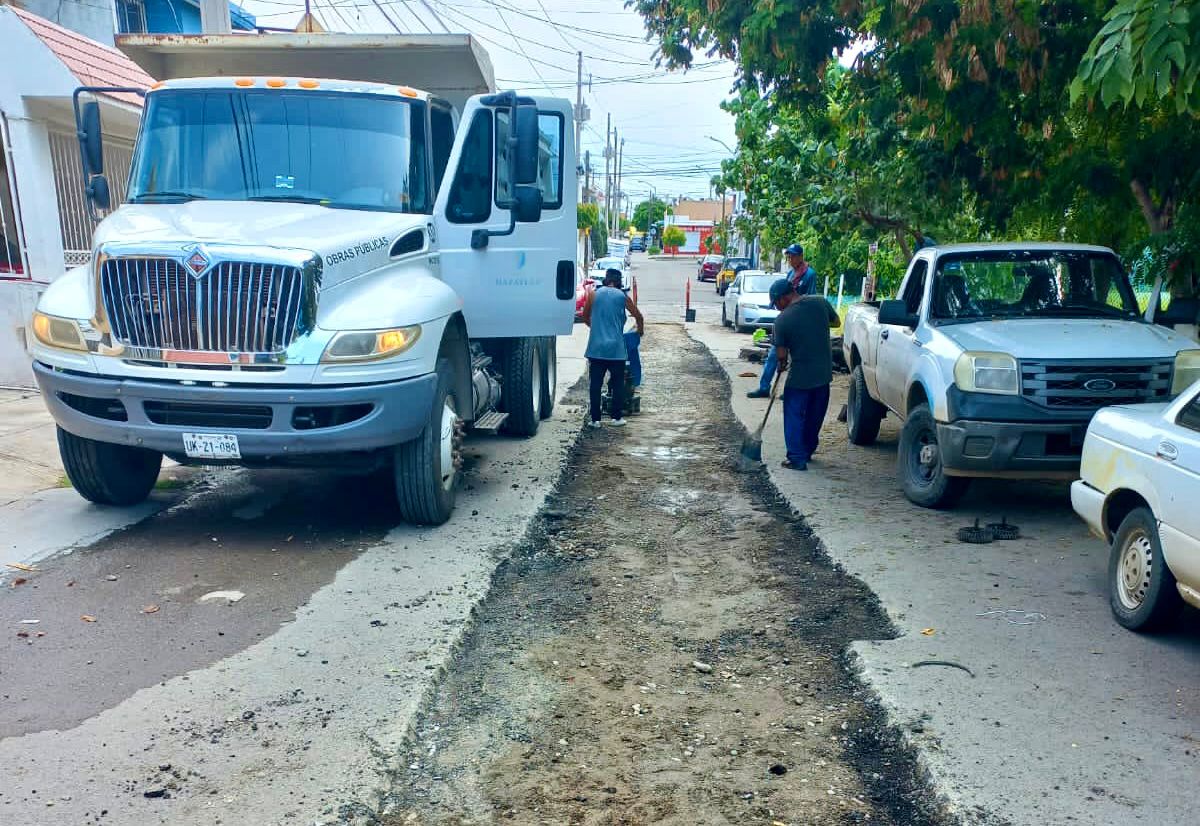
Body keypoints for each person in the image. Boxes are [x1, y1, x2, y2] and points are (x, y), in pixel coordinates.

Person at [768, 278, 840, 470]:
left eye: (776, 303)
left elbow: (781, 356)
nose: (776, 308)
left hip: (799, 378)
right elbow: (836, 321)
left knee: (794, 416)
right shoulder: (819, 302)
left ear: (782, 298)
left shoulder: (782, 320)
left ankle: (797, 458)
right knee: (814, 417)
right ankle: (807, 450)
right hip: (823, 375)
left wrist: (781, 366)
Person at [747, 243, 818, 398]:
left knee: (796, 359)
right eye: (789, 256)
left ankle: (790, 390)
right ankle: (764, 387)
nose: (790, 259)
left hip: (800, 321)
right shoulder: (791, 274)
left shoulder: (809, 275)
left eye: (793, 256)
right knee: (774, 353)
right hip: (787, 319)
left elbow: (810, 298)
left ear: (800, 256)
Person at [582, 268, 645, 428]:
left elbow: (585, 316)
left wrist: (596, 329)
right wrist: (639, 331)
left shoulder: (593, 294)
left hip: (596, 348)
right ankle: (616, 418)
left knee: (595, 385)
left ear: (606, 279)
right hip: (616, 349)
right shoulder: (623, 297)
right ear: (619, 282)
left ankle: (595, 420)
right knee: (617, 384)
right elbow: (638, 316)